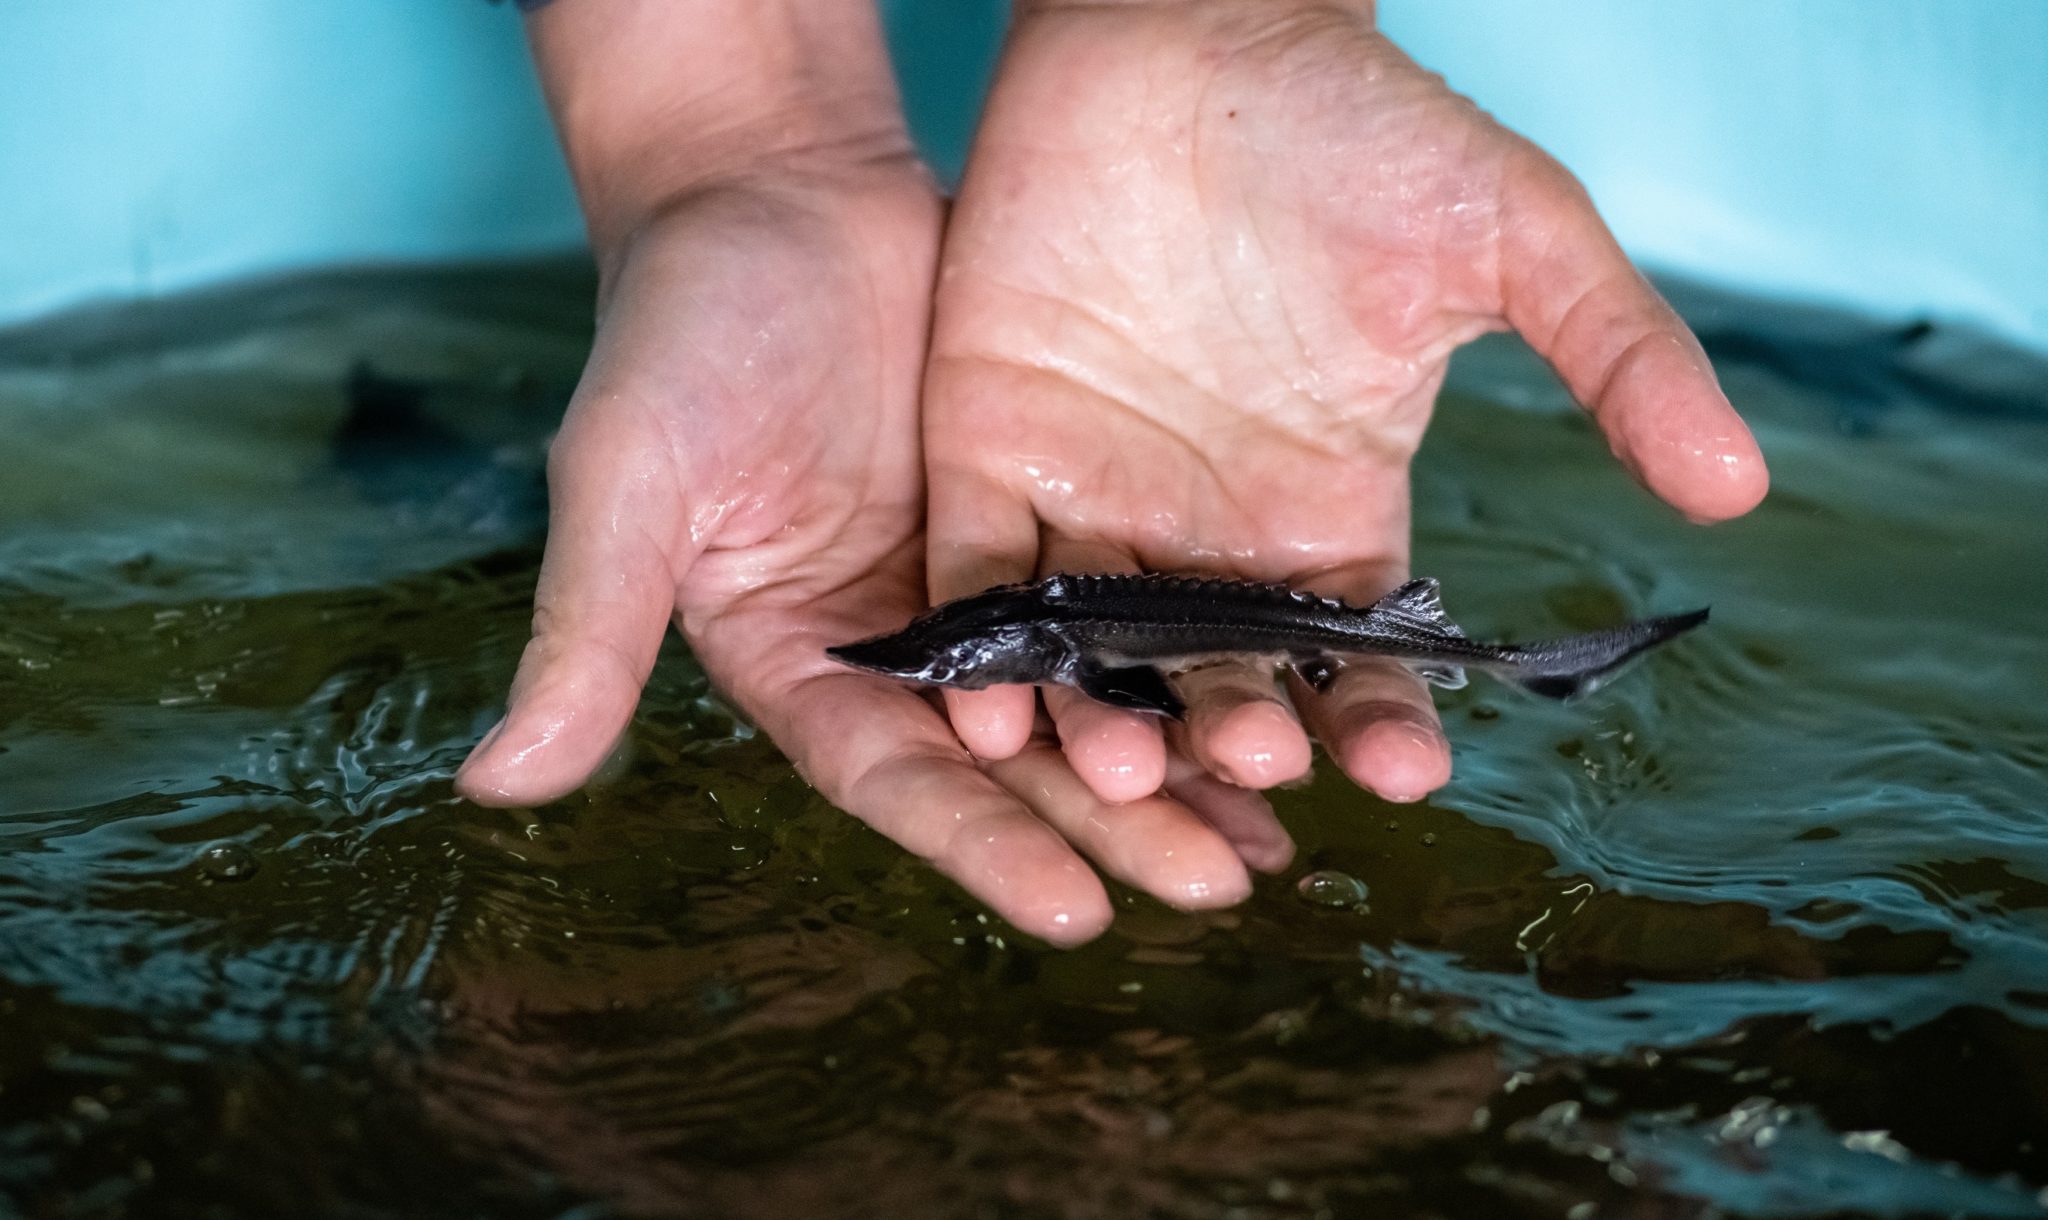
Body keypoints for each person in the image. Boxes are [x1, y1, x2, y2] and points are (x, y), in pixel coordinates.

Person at [453, 0, 1769, 946]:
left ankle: (1541, 665)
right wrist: (737, 146)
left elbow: (1097, 665)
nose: (935, 657)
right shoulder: (1042, 641)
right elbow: (1081, 660)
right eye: (938, 656)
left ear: (1002, 651)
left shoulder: (1062, 648)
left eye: (941, 655)